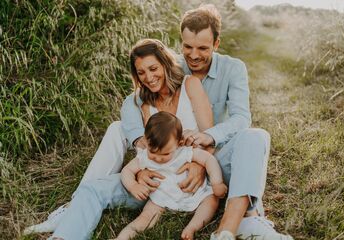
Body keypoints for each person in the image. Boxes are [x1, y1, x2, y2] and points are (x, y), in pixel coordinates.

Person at [26, 4, 293, 240]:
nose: (194, 55)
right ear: (180, 45)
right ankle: (73, 209)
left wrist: (203, 153)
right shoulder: (167, 66)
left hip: (214, 156)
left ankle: (249, 216)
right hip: (162, 162)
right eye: (187, 47)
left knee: (255, 135)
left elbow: (240, 118)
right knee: (117, 128)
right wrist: (142, 156)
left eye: (202, 48)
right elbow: (133, 100)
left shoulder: (229, 70)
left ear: (216, 44)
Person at [116, 111, 227, 240]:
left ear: (179, 143)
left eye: (165, 154)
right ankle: (121, 238)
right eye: (153, 152)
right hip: (162, 198)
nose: (158, 158)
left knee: (212, 200)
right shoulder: (144, 156)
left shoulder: (184, 152)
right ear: (146, 140)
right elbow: (127, 171)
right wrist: (133, 186)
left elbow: (208, 159)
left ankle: (192, 228)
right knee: (145, 217)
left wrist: (216, 182)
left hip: (194, 193)